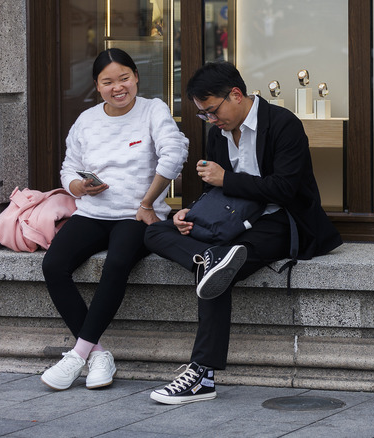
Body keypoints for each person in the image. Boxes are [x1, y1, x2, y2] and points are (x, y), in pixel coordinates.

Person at [144, 61, 342, 404]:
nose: (210, 119)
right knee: (152, 233)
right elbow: (215, 189)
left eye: (212, 111)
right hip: (230, 221)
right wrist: (190, 212)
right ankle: (207, 259)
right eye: (204, 115)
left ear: (236, 95)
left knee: (219, 266)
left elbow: (286, 189)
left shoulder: (283, 124)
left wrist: (227, 179)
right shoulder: (216, 133)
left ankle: (202, 374)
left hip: (282, 220)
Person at [40, 48, 189, 391]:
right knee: (53, 265)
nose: (117, 87)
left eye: (124, 78)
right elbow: (67, 168)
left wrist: (148, 202)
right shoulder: (87, 120)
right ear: (97, 85)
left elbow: (174, 152)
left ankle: (76, 355)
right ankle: (98, 354)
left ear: (136, 77)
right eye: (108, 81)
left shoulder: (153, 110)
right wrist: (80, 187)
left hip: (136, 215)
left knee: (117, 263)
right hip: (93, 212)